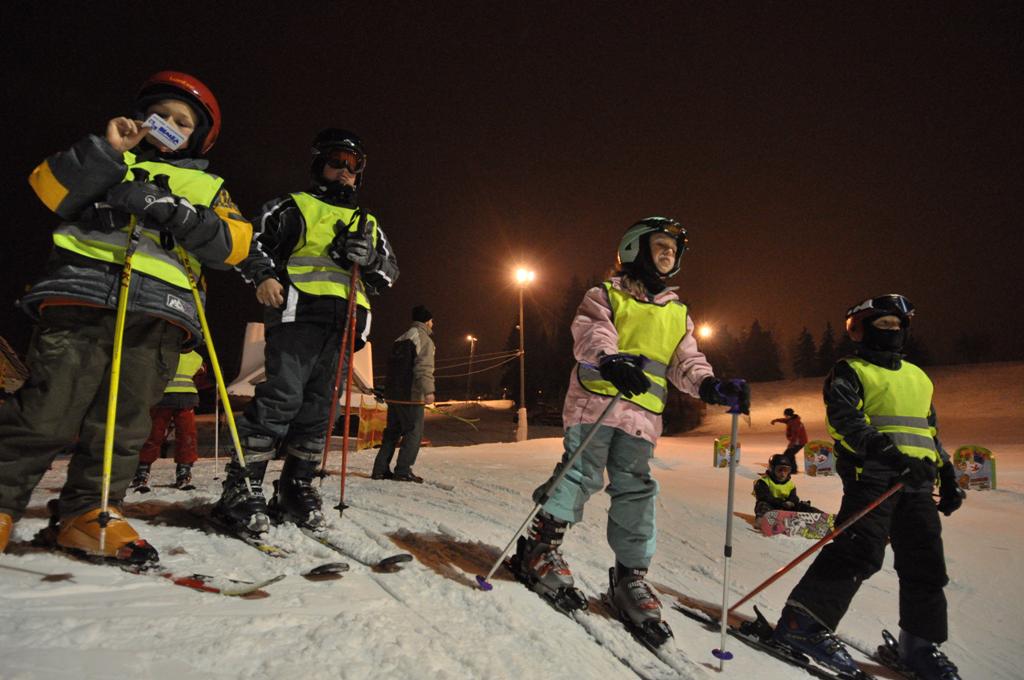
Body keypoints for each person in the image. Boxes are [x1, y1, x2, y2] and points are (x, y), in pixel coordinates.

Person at [0, 72, 252, 561]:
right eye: (161, 114)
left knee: (123, 422)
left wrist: (181, 213)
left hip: (160, 311)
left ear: (198, 136)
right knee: (46, 411)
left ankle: (90, 512)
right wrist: (109, 150)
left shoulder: (207, 185)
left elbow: (235, 246)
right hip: (82, 297)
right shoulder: (112, 158)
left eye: (183, 121)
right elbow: (49, 187)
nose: (169, 124)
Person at [511, 217, 750, 642]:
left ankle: (630, 576)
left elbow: (686, 362)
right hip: (597, 402)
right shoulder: (605, 295)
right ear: (634, 249)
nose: (668, 253)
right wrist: (610, 358)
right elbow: (592, 332)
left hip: (642, 417)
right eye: (660, 245)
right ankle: (540, 548)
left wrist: (711, 385)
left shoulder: (677, 313)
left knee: (636, 488)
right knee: (580, 473)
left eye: (673, 249)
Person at [772, 294, 965, 680]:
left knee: (926, 564)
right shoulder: (850, 371)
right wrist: (891, 456)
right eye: (882, 324)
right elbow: (845, 422)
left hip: (916, 483)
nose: (891, 331)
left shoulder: (918, 377)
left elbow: (929, 431)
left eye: (897, 325)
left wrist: (946, 473)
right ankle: (802, 623)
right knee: (858, 552)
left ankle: (919, 646)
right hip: (873, 477)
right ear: (861, 330)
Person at [219, 128, 399, 536]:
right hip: (297, 316)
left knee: (321, 410)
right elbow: (249, 241)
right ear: (319, 163)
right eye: (337, 161)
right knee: (282, 398)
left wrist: (370, 259)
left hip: (344, 325)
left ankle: (295, 487)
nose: (346, 171)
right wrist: (263, 277)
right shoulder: (293, 205)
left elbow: (389, 274)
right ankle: (242, 486)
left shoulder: (366, 221)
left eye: (354, 165)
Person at [371, 304, 436, 483]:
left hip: (394, 396)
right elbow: (424, 368)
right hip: (411, 397)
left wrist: (386, 390)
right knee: (413, 433)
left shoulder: (400, 338)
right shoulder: (424, 339)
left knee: (392, 433)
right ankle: (403, 470)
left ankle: (380, 469)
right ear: (427, 321)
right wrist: (428, 390)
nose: (432, 324)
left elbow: (392, 369)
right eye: (432, 321)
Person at [131, 350, 206, 491]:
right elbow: (201, 379)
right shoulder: (197, 357)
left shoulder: (162, 352)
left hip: (166, 398)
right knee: (184, 436)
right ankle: (183, 470)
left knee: (158, 435)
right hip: (179, 399)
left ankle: (143, 470)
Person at [753, 454, 819, 517]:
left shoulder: (790, 484)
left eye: (786, 470)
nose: (783, 473)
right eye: (779, 470)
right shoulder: (763, 482)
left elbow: (793, 497)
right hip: (772, 507)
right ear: (772, 469)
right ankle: (763, 519)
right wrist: (782, 503)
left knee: (803, 506)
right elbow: (765, 498)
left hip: (786, 508)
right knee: (763, 505)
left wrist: (792, 502)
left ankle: (819, 517)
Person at [770, 407, 808, 472]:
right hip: (798, 441)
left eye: (785, 415)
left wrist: (791, 444)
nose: (785, 417)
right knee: (790, 454)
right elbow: (784, 420)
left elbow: (795, 435)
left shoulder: (795, 423)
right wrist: (775, 420)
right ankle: (793, 469)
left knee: (787, 455)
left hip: (799, 442)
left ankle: (790, 469)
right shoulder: (791, 419)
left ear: (789, 415)